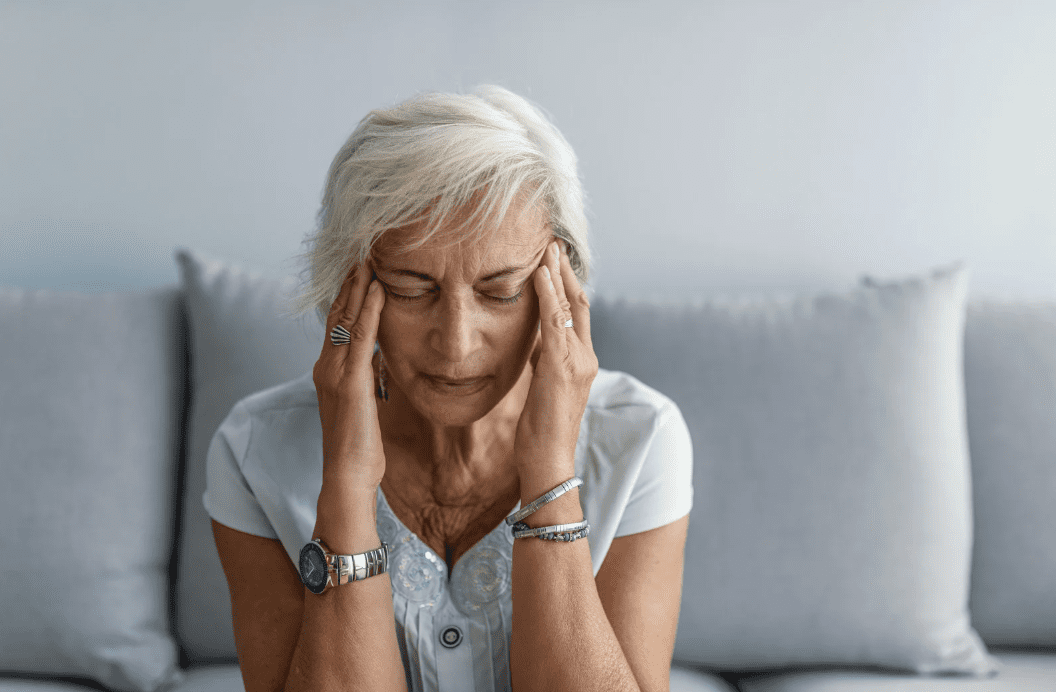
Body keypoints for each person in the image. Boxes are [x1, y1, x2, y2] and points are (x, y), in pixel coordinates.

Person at [205, 85, 693, 692]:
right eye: (412, 289)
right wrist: (347, 490)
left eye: (499, 291)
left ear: (559, 285)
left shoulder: (641, 438)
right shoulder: (254, 452)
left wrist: (546, 474)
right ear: (348, 286)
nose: (457, 344)